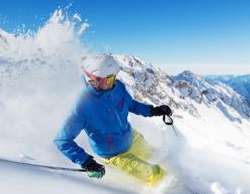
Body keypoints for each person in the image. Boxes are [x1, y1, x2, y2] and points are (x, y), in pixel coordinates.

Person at [54, 54, 172, 186]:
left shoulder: (117, 87)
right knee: (154, 174)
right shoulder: (83, 106)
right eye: (109, 80)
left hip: (131, 138)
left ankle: (182, 183)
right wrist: (87, 162)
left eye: (114, 78)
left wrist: (154, 111)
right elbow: (62, 141)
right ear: (93, 80)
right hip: (115, 154)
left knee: (157, 156)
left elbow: (131, 105)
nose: (113, 82)